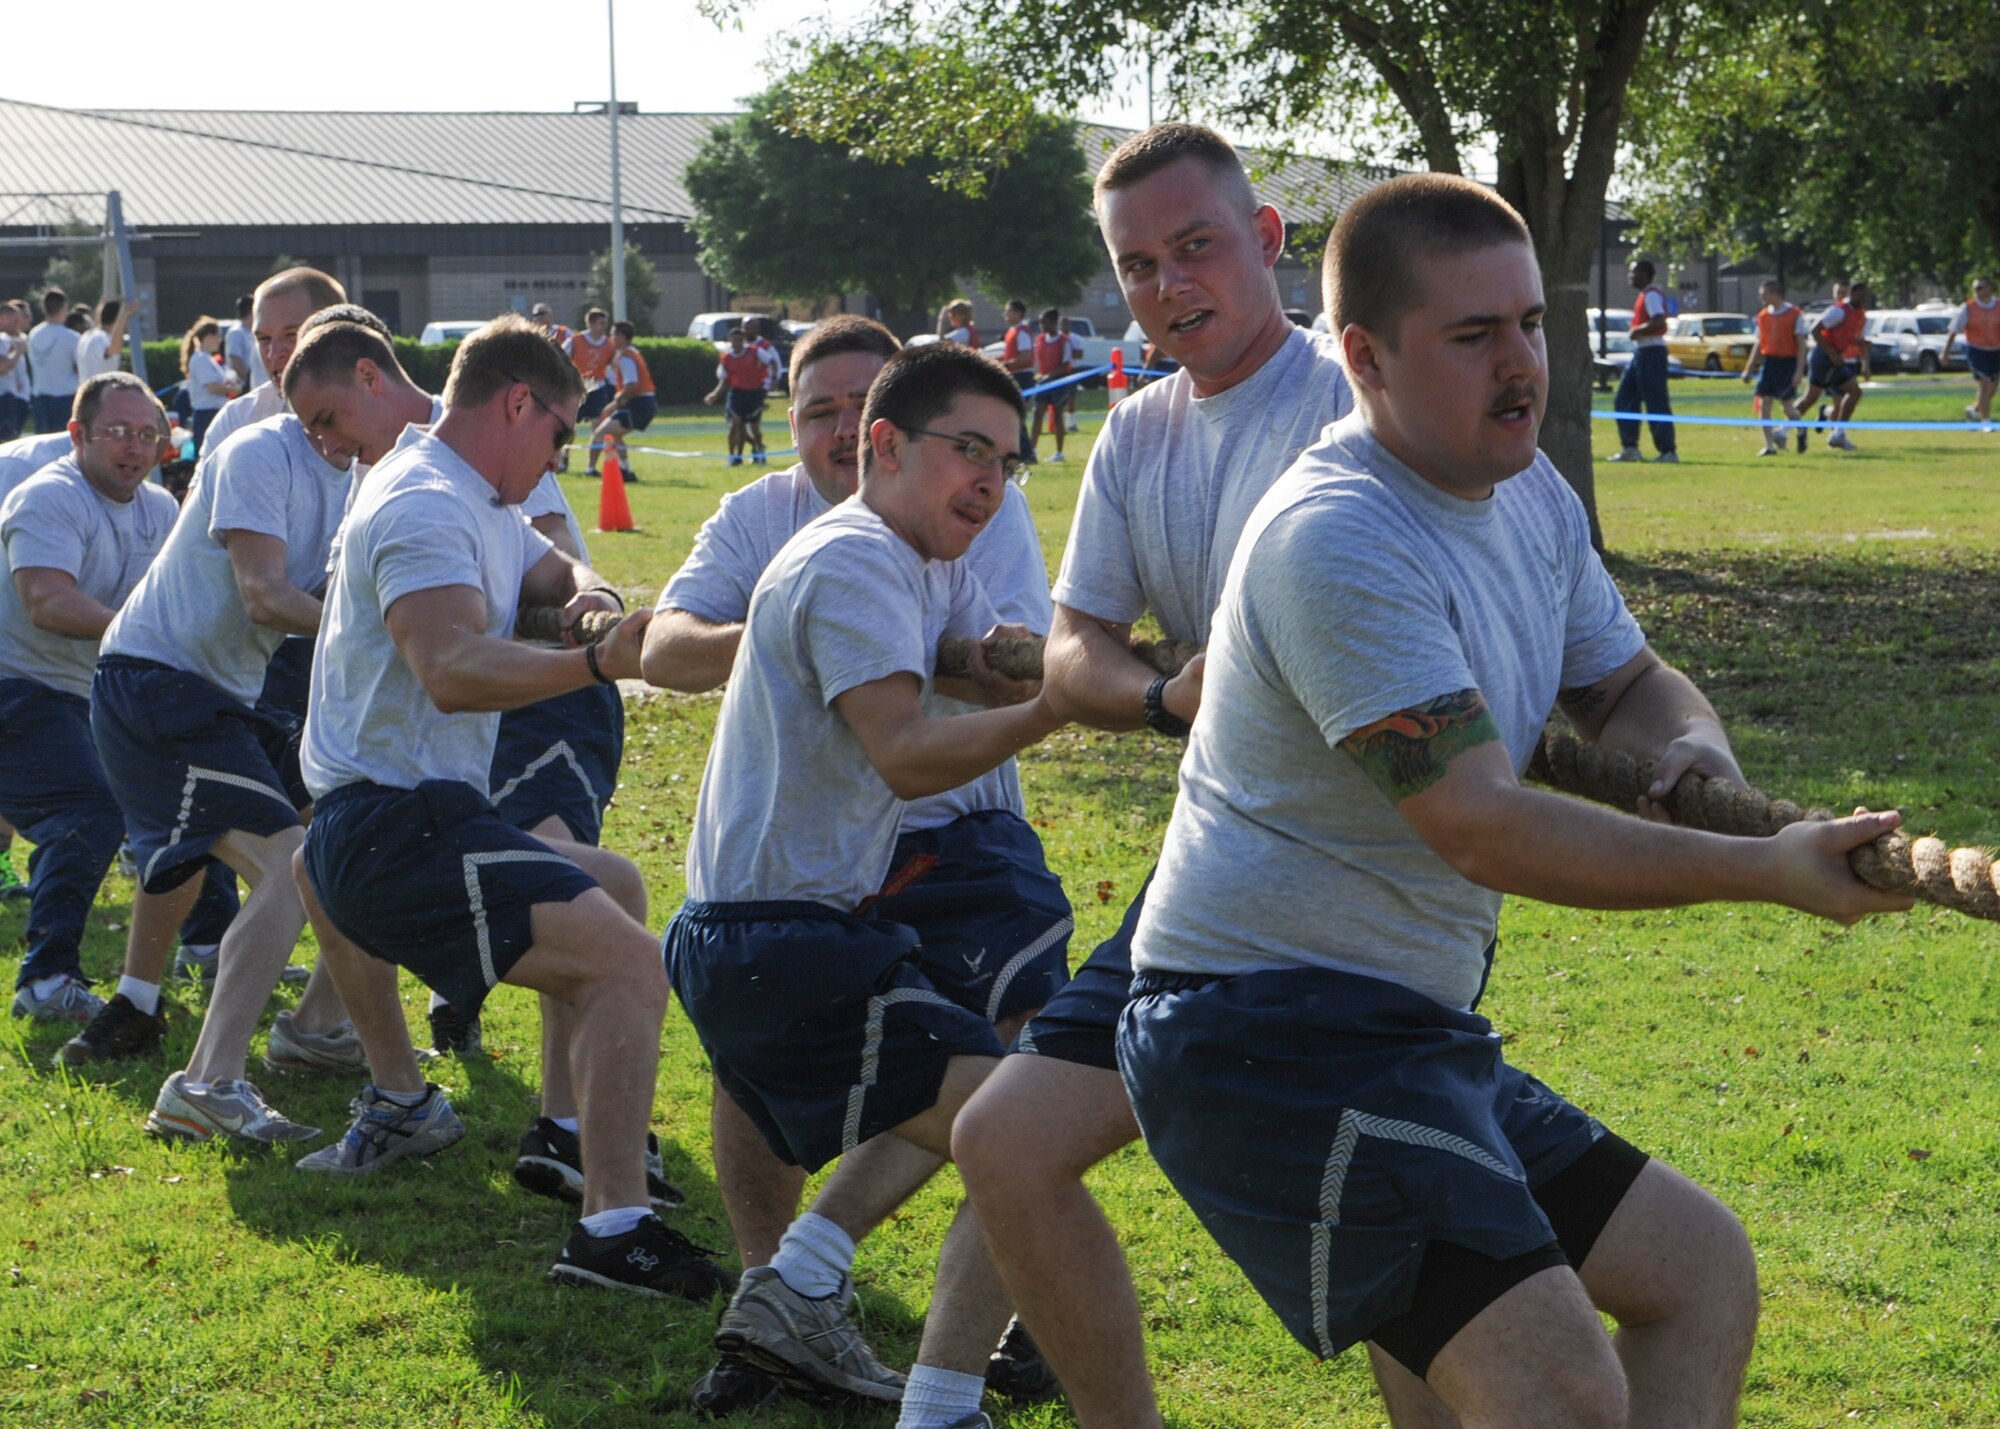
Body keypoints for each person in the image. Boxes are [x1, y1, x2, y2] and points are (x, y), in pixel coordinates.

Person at [1118, 170, 1914, 1429]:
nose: (1520, 365)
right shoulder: (1336, 534)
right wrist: (1763, 870)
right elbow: (1480, 820)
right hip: (1262, 1040)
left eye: (1531, 324)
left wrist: (1693, 754)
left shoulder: (1524, 494)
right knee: (1555, 1393)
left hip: (1400, 1031)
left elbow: (1625, 681)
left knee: (1693, 1271)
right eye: (1473, 335)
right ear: (1366, 356)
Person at [948, 122, 1353, 1429]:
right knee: (1007, 1144)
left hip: (1358, 898)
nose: (1170, 287)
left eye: (1197, 248)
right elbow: (1075, 653)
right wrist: (1170, 692)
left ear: (1268, 240)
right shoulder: (1133, 435)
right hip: (1211, 878)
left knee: (1391, 1249)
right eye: (1137, 267)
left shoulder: (1361, 402)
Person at [643, 315, 1071, 1415]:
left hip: (797, 935)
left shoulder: (928, 559)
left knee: (1020, 1116)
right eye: (964, 449)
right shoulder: (852, 560)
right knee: (1028, 1128)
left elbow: (987, 671)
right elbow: (911, 746)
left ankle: (802, 1281)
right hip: (773, 943)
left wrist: (1158, 690)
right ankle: (894, 1361)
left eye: (1004, 458)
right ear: (885, 444)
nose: (989, 479)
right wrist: (1063, 703)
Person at [289, 315, 730, 1304]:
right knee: (626, 961)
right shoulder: (421, 504)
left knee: (613, 884)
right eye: (559, 434)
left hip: (411, 820)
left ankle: (569, 1136)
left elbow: (555, 569)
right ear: (516, 402)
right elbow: (446, 668)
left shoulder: (479, 499)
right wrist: (592, 660)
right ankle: (612, 1230)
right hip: (392, 829)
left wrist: (593, 596)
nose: (560, 458)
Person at [90, 301, 372, 1142]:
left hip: (224, 697)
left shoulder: (361, 471)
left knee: (355, 827)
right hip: (155, 686)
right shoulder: (257, 450)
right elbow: (265, 595)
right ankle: (206, 1084)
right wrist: (385, 630)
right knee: (288, 862)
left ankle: (315, 1029)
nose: (328, 428)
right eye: (310, 404)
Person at [0, 374, 180, 1025]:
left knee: (186, 792)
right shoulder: (50, 497)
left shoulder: (161, 509)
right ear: (78, 435)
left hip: (89, 691)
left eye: (146, 434)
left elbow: (182, 601)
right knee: (89, 806)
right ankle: (47, 980)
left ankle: (211, 943)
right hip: (16, 686)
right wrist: (145, 634)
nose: (132, 448)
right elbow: (46, 601)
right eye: (117, 433)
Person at [202, 268, 348, 458]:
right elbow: (202, 488)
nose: (273, 353)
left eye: (291, 335)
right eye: (263, 339)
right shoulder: (237, 420)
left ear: (336, 332)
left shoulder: (381, 419)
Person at [1606, 258, 1676, 464]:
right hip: (1641, 353)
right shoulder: (1644, 295)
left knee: (1656, 401)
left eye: (1633, 272)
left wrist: (1637, 330)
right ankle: (1630, 448)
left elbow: (1659, 319)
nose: (1630, 277)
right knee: (1624, 398)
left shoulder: (1651, 295)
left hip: (1652, 352)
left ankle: (1668, 451)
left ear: (1644, 274)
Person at [1794, 283, 1872, 452]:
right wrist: (1830, 354)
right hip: (1824, 358)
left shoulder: (1857, 313)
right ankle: (1782, 430)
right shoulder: (1839, 310)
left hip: (1835, 359)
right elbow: (1815, 330)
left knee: (1854, 392)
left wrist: (1862, 343)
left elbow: (1844, 337)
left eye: (1867, 296)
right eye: (1862, 295)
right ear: (1852, 294)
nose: (1865, 299)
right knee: (1811, 398)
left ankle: (1838, 434)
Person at [1740, 280, 1807, 456]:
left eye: (1764, 294)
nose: (1761, 297)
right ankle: (1769, 445)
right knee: (1765, 404)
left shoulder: (1794, 314)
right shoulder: (1762, 316)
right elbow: (1759, 343)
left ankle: (1801, 429)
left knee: (1787, 407)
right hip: (1770, 363)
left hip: (1788, 363)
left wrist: (1799, 371)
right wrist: (1749, 368)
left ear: (1774, 294)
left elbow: (1801, 344)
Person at [587, 320, 656, 478]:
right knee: (614, 435)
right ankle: (626, 471)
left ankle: (590, 469)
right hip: (644, 403)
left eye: (613, 334)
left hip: (639, 404)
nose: (611, 338)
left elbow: (631, 385)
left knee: (600, 432)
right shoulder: (633, 352)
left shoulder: (626, 357)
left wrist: (613, 404)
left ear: (621, 336)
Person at [704, 326, 769, 467]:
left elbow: (771, 362)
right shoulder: (726, 358)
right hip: (737, 394)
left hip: (753, 393)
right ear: (730, 341)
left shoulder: (754, 352)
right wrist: (714, 394)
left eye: (739, 340)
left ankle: (759, 450)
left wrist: (772, 381)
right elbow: (724, 380)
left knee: (755, 427)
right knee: (735, 425)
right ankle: (734, 457)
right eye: (734, 340)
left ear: (743, 340)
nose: (737, 343)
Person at [1943, 275, 1998, 430]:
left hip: (1995, 352)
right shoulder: (1968, 308)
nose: (1976, 291)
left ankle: (1974, 410)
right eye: (1975, 288)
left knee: (1992, 388)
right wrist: (1945, 352)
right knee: (1985, 385)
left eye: (1980, 287)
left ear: (1989, 289)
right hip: (1976, 351)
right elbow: (1953, 331)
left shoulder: (1998, 306)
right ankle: (1986, 422)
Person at [566, 307, 617, 473]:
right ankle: (564, 459)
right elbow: (562, 359)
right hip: (577, 388)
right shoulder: (576, 340)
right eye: (601, 323)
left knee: (598, 426)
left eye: (605, 323)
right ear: (591, 324)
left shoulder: (609, 345)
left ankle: (591, 467)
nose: (604, 326)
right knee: (569, 427)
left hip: (598, 388)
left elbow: (614, 367)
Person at [28, 289, 81, 435]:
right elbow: (80, 368)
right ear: (64, 308)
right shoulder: (72, 337)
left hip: (40, 398)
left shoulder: (33, 334)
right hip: (64, 399)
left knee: (41, 441)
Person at [181, 317, 237, 452]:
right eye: (218, 336)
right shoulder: (200, 358)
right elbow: (212, 387)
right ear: (209, 337)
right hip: (206, 415)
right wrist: (234, 389)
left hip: (212, 413)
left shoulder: (206, 358)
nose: (220, 340)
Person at [1030, 307, 1070, 462]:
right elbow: (1038, 361)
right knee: (1037, 413)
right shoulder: (1040, 339)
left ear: (1053, 322)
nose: (1041, 324)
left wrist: (1050, 376)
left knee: (1058, 416)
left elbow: (1065, 365)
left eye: (1044, 321)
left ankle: (1059, 452)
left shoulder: (1063, 341)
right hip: (1043, 383)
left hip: (1058, 383)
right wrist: (1039, 375)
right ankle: (1032, 450)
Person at [75, 300, 133, 383]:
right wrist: (124, 314)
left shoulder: (87, 335)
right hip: (98, 393)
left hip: (86, 389)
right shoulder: (101, 339)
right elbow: (115, 348)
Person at [0, 300, 33, 442]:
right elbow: (2, 366)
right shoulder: (2, 339)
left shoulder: (13, 338)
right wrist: (17, 352)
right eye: (13, 321)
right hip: (3, 397)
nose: (17, 325)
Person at [224, 294, 268, 395]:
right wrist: (247, 384)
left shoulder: (250, 332)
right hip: (244, 387)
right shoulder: (236, 332)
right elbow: (236, 362)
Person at [1060, 316, 1085, 432]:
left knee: (1071, 397)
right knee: (1059, 399)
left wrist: (1068, 350)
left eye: (1066, 324)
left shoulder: (1076, 339)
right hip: (1060, 370)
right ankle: (1060, 424)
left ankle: (1071, 423)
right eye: (1061, 324)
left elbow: (1080, 355)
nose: (1063, 326)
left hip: (1072, 370)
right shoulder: (1058, 338)